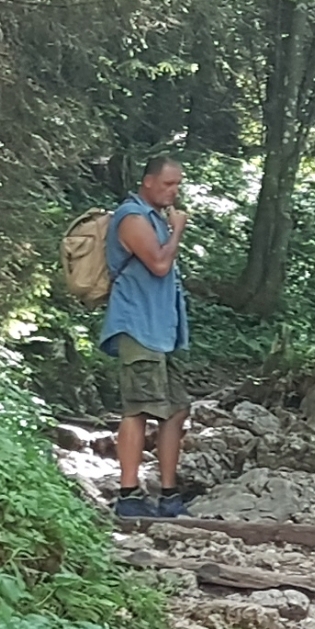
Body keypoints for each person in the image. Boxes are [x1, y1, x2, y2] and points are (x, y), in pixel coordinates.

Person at [100, 154, 191, 518]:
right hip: (137, 325)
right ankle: (128, 496)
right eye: (168, 183)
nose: (174, 190)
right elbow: (159, 264)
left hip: (163, 329)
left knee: (176, 409)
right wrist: (178, 230)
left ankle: (169, 495)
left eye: (178, 184)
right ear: (148, 181)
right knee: (137, 409)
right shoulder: (131, 217)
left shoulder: (155, 218)